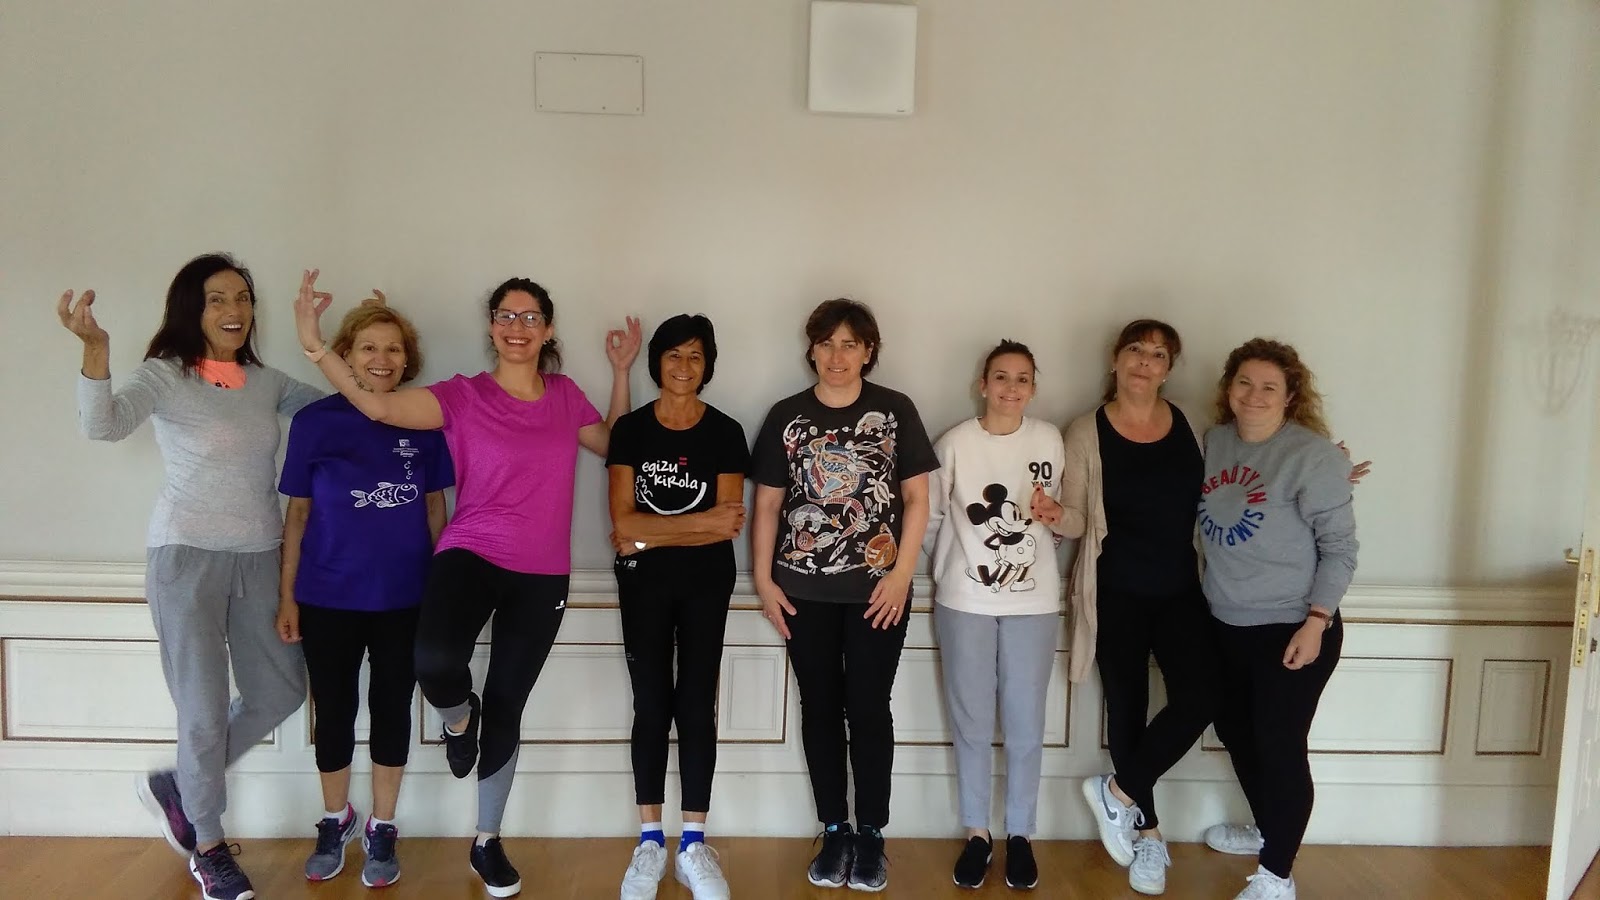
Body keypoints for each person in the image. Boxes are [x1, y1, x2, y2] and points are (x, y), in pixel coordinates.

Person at [293, 272, 640, 898]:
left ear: (547, 330)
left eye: (530, 317)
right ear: (491, 327)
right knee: (433, 660)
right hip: (470, 551)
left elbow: (616, 448)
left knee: (508, 702)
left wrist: (621, 373)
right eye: (506, 315)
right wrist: (318, 347)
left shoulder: (565, 397)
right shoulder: (462, 395)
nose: (517, 327)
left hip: (541, 572)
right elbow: (378, 405)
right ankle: (459, 720)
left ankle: (487, 842)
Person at [59, 253, 322, 900]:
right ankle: (208, 846)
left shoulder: (266, 382)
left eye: (243, 298)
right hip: (186, 560)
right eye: (217, 300)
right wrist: (96, 349)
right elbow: (101, 425)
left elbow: (341, 416)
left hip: (260, 557)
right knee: (201, 714)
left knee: (282, 692)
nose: (234, 311)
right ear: (191, 309)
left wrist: (352, 352)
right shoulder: (165, 375)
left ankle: (179, 783)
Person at [750, 298, 939, 893]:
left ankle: (872, 833)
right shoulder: (787, 416)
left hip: (880, 592)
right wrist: (763, 579)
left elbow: (917, 500)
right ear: (811, 349)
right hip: (801, 591)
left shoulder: (895, 410)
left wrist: (902, 574)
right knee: (821, 709)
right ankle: (834, 830)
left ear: (868, 351)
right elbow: (768, 506)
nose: (837, 355)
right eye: (827, 343)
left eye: (849, 344)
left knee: (869, 708)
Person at [276, 294, 453, 887]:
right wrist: (287, 597)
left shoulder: (424, 423)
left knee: (391, 709)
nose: (382, 358)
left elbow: (435, 510)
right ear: (345, 355)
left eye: (394, 349)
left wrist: (443, 592)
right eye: (369, 347)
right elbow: (297, 516)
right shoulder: (314, 423)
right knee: (334, 712)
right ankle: (335, 819)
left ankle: (383, 826)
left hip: (405, 598)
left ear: (408, 360)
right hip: (326, 597)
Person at [1196, 339, 1357, 900]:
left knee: (1279, 744)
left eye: (1270, 386)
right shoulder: (1214, 442)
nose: (1255, 395)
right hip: (1224, 623)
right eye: (1245, 382)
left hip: (1293, 626)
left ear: (1290, 397)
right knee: (1237, 734)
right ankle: (1271, 830)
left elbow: (1341, 550)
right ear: (1229, 389)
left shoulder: (1311, 456)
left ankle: (1276, 876)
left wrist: (1317, 622)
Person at [1065, 319, 1216, 896]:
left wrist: (1321, 464)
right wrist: (1052, 516)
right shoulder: (1087, 430)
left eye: (1157, 354)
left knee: (1201, 697)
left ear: (1168, 369)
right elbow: (1076, 516)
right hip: (1116, 592)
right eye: (1136, 350)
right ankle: (1148, 834)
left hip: (1182, 590)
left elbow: (1239, 480)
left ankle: (1116, 792)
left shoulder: (1192, 426)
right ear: (1116, 358)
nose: (1144, 362)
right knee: (1127, 711)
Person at [608, 315, 748, 900]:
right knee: (651, 704)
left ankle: (692, 845)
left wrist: (650, 534)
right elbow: (621, 524)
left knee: (695, 704)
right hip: (643, 585)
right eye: (673, 355)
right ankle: (649, 842)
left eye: (695, 356)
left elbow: (729, 524)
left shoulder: (726, 432)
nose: (683, 366)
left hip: (706, 584)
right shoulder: (631, 431)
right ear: (657, 362)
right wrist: (695, 525)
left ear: (707, 365)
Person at [924, 340, 1068, 891]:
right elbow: (931, 518)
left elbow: (1058, 514)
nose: (1012, 388)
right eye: (1001, 377)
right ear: (982, 385)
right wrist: (951, 568)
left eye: (1022, 378)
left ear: (1033, 387)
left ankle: (1020, 833)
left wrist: (1052, 521)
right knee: (972, 720)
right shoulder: (955, 443)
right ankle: (978, 833)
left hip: (1034, 600)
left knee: (1026, 720)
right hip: (965, 600)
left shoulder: (1049, 439)